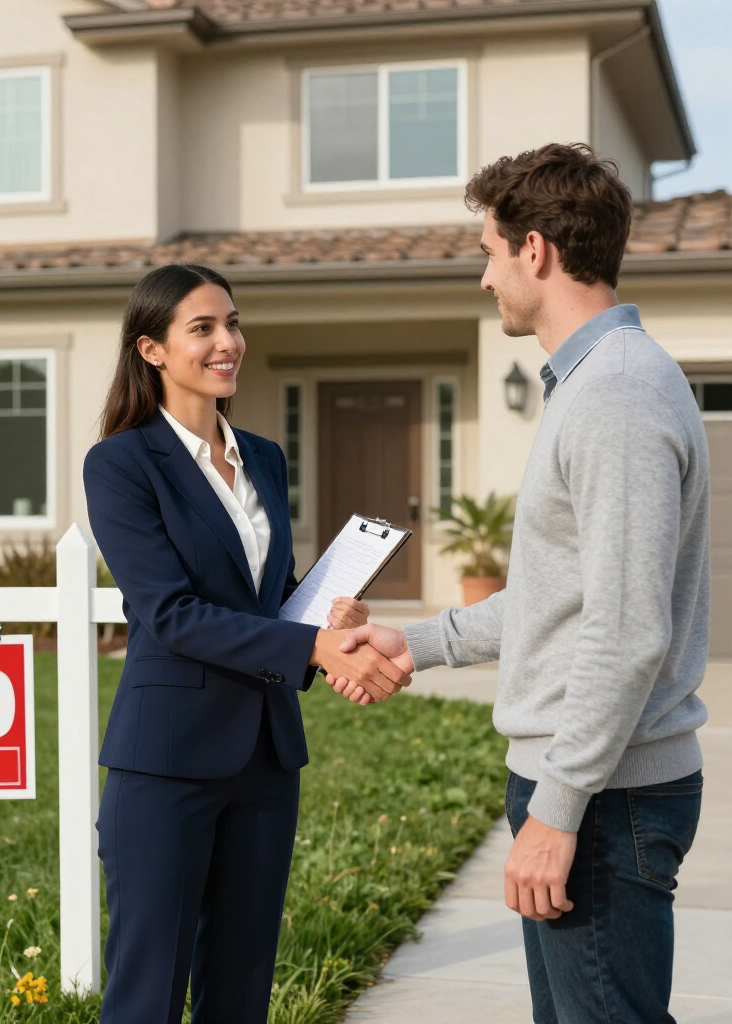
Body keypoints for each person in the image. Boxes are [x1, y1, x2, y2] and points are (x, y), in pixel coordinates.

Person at [329, 144, 710, 1024]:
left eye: (492, 252)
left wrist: (559, 808)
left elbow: (626, 631)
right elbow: (558, 598)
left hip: (605, 792)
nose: (484, 277)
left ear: (535, 251)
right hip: (589, 784)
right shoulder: (592, 385)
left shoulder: (615, 394)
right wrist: (414, 644)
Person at [82, 263, 403, 1024]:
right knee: (148, 992)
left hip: (265, 756)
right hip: (165, 761)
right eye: (203, 328)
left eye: (233, 322)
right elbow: (169, 613)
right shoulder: (122, 463)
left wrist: (333, 626)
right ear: (151, 349)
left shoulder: (263, 456)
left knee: (241, 986)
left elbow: (270, 592)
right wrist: (311, 652)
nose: (229, 341)